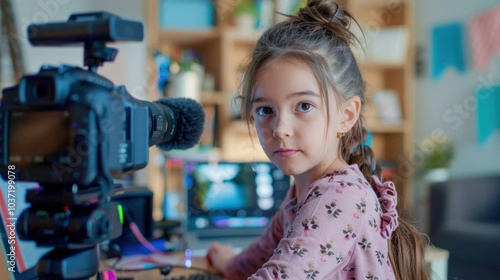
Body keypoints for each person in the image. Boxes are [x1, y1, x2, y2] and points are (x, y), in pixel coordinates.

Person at [206, 0, 430, 279]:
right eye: (265, 110)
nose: (280, 128)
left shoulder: (342, 196)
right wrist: (228, 263)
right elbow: (259, 255)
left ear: (346, 115)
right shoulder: (299, 193)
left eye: (304, 106)